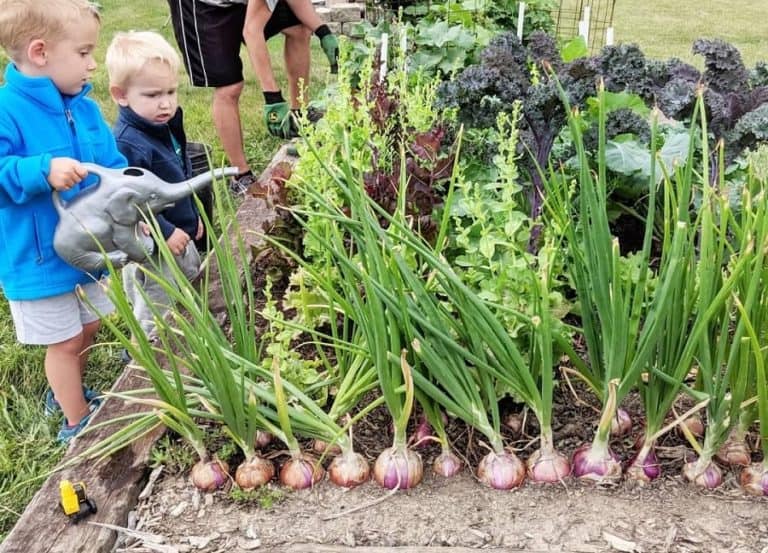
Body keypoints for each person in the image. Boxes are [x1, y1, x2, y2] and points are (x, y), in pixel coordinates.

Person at [0, 0, 127, 443]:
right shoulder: (7, 111)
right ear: (40, 52)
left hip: (87, 249)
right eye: (84, 53)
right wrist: (41, 170)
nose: (93, 64)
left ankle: (66, 391)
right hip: (37, 257)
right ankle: (78, 422)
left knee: (89, 325)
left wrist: (129, 206)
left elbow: (112, 164)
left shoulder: (84, 108)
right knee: (66, 341)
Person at [166, 0, 338, 193]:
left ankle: (300, 115)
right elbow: (252, 31)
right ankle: (240, 174)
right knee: (229, 87)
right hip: (203, 6)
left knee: (299, 29)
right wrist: (273, 98)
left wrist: (323, 32)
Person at [105, 30, 203, 341]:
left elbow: (180, 176)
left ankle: (191, 333)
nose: (165, 103)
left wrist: (193, 216)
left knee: (192, 282)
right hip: (153, 245)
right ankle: (146, 353)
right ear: (121, 95)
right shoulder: (128, 144)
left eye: (171, 92)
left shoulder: (165, 126)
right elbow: (128, 200)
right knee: (154, 302)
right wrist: (165, 229)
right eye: (152, 95)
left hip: (181, 232)